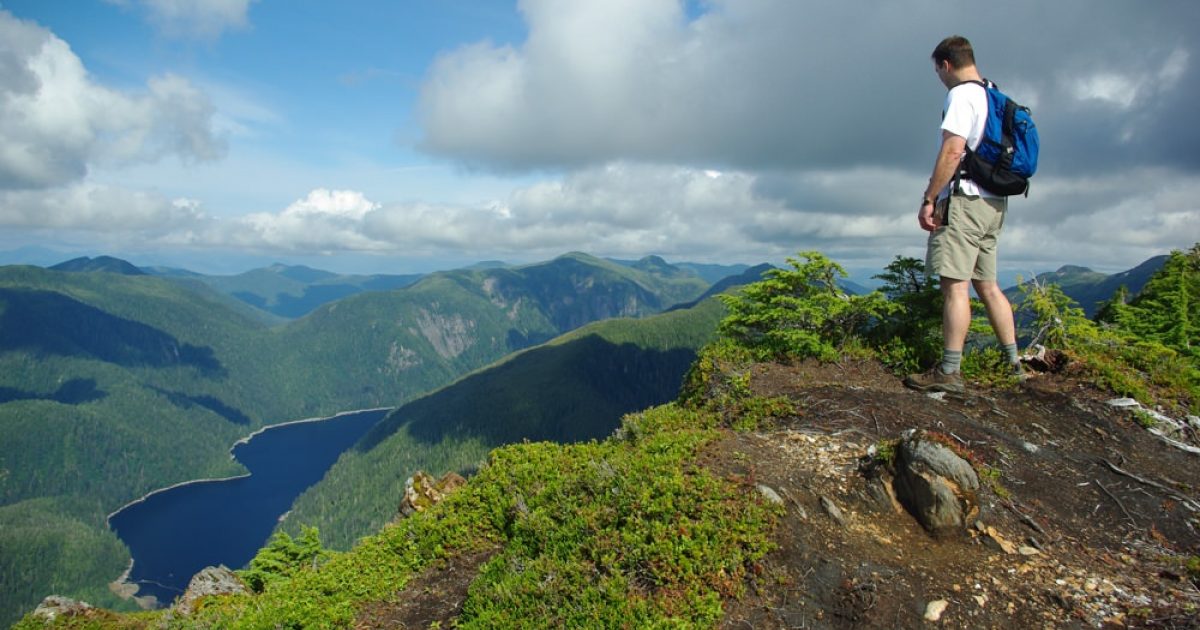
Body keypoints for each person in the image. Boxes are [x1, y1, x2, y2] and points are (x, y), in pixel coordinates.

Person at [904, 35, 1023, 394]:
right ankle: (1014, 364)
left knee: (954, 288)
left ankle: (949, 372)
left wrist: (929, 198)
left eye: (937, 70)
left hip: (965, 201)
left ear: (946, 64)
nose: (939, 77)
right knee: (987, 285)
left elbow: (953, 151)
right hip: (994, 202)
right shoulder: (993, 93)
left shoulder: (961, 95)